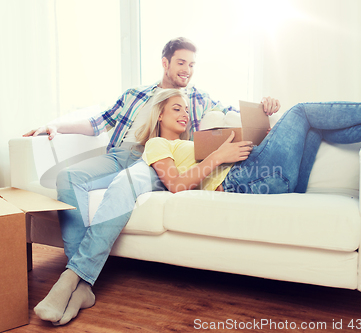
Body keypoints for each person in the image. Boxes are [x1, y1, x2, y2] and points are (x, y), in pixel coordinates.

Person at [24, 37, 281, 326]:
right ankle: (80, 283)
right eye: (181, 63)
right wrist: (56, 125)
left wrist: (264, 106)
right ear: (165, 63)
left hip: (157, 157)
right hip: (120, 153)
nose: (187, 70)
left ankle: (72, 279)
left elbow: (234, 115)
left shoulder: (197, 98)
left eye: (192, 65)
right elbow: (97, 122)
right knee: (68, 177)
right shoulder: (137, 94)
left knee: (125, 183)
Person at [141, 89, 361, 196]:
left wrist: (265, 137)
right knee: (301, 111)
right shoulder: (157, 144)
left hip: (272, 178)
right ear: (160, 115)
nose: (185, 114)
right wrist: (220, 156)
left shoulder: (198, 140)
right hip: (241, 182)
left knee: (314, 129)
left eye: (186, 109)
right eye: (177, 109)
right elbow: (175, 185)